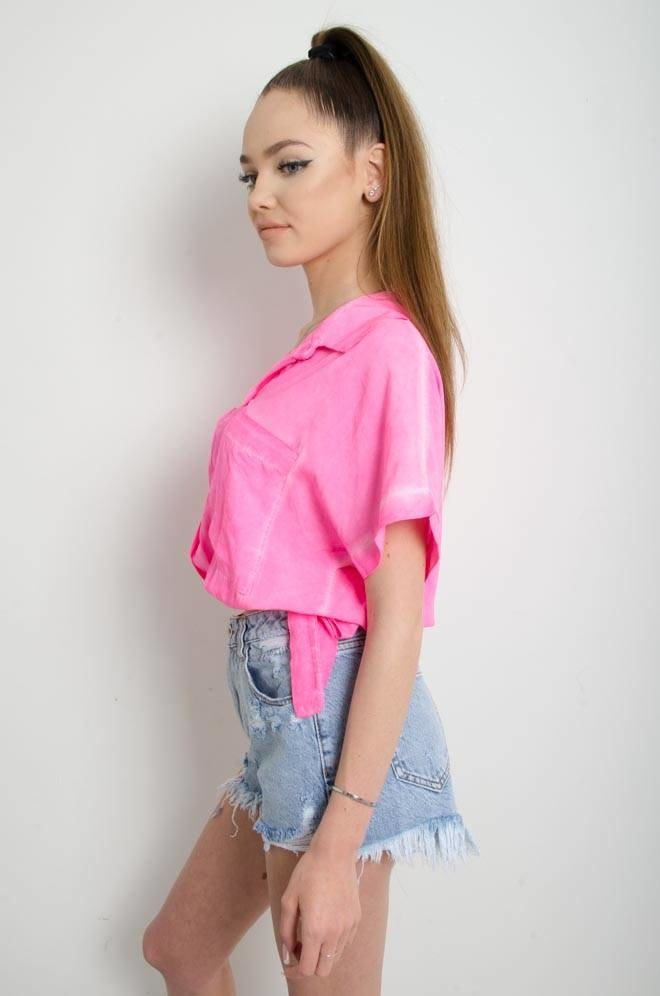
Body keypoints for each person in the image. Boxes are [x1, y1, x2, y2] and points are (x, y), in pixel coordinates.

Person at [143, 25, 479, 994]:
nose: (260, 195)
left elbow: (397, 615)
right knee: (178, 949)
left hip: (331, 732)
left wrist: (338, 847)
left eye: (290, 165)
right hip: (284, 727)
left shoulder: (386, 354)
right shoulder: (323, 348)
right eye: (248, 173)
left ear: (372, 172)